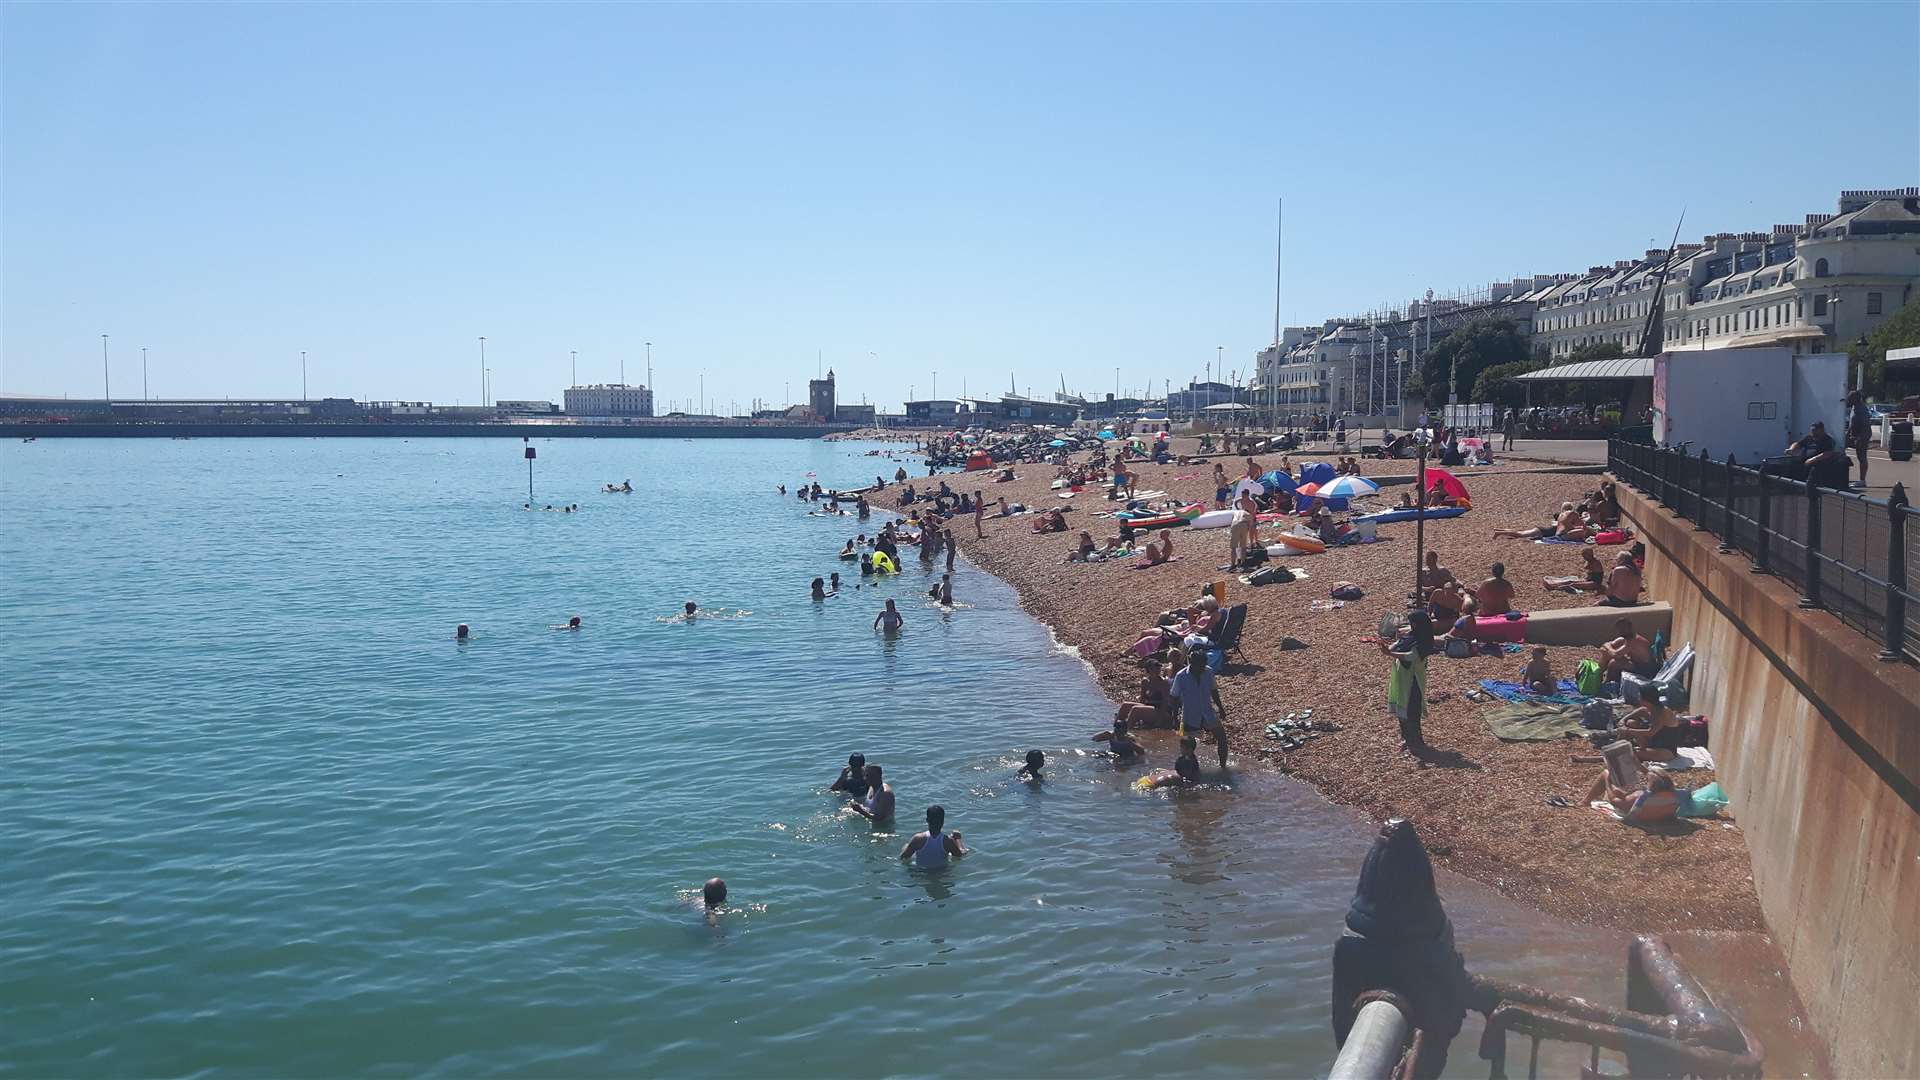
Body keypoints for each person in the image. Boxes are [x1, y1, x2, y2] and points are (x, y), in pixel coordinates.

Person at [1377, 611, 1438, 752]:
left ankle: (1416, 741)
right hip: (1402, 677)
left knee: (1412, 711)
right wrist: (1388, 647)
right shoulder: (1412, 636)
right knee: (1401, 709)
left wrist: (1390, 653)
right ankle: (1406, 738)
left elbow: (1411, 656)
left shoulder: (1423, 641)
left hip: (1413, 681)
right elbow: (1398, 644)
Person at [1169, 650, 1230, 770]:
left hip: (1208, 712)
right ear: (1191, 663)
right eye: (1199, 666)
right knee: (1188, 746)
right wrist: (1174, 717)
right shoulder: (1181, 676)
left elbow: (1213, 690)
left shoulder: (1208, 671)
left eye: (1203, 665)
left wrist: (1220, 708)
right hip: (1189, 715)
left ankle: (1223, 767)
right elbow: (1174, 697)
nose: (1202, 668)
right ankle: (1189, 770)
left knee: (1222, 739)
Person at [1587, 767, 1681, 824]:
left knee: (1606, 773)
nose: (1646, 782)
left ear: (1652, 785)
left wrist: (1608, 782)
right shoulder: (1673, 794)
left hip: (1631, 814)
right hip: (1657, 815)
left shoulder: (1641, 796)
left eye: (1647, 781)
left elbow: (1614, 801)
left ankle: (1584, 802)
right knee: (1620, 790)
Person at [900, 805, 968, 867]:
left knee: (906, 845)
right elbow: (960, 856)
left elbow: (903, 858)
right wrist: (958, 839)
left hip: (922, 874)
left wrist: (906, 847)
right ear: (943, 822)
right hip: (942, 874)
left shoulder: (918, 839)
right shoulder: (948, 841)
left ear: (927, 820)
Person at [1788, 419, 1848, 488]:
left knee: (1815, 471)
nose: (1813, 432)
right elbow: (1798, 443)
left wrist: (1811, 460)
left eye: (1815, 430)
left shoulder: (1828, 439)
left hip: (1828, 463)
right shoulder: (1809, 437)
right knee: (1795, 466)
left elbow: (1827, 453)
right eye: (1812, 430)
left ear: (1821, 430)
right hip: (1810, 462)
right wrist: (1792, 449)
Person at [1598, 617, 1655, 682]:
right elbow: (1608, 647)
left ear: (1630, 627)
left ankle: (1607, 683)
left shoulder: (1634, 640)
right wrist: (1607, 648)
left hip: (1644, 670)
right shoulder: (1627, 638)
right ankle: (1597, 677)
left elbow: (1616, 654)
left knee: (1613, 663)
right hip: (1635, 664)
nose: (1621, 631)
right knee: (1606, 653)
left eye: (1623, 628)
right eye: (1620, 629)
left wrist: (1607, 647)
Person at [1139, 736, 1203, 789]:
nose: (1180, 749)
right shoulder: (1178, 779)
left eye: (1182, 747)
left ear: (1189, 749)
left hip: (1145, 779)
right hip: (1147, 785)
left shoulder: (1181, 763)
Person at [1846, 390, 1872, 488]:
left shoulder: (1862, 409)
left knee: (1862, 456)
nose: (1849, 399)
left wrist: (1861, 438)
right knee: (1840, 449)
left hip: (1862, 435)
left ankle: (1862, 480)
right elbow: (1852, 423)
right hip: (1854, 435)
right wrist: (1847, 435)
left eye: (1851, 398)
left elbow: (1865, 424)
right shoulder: (1854, 407)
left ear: (1856, 398)